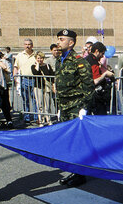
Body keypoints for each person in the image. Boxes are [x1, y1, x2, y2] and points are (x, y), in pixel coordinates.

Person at [53, 29, 94, 187]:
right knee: (69, 140)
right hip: (64, 107)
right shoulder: (60, 60)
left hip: (76, 107)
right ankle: (74, 170)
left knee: (78, 140)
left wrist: (84, 107)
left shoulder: (79, 61)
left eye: (62, 39)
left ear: (71, 43)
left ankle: (80, 174)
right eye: (58, 39)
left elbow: (88, 86)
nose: (58, 42)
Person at [87, 42, 114, 115]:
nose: (102, 56)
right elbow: (95, 80)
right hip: (95, 97)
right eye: (102, 53)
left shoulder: (89, 59)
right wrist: (105, 74)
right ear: (96, 51)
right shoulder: (93, 62)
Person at [14, 38, 37, 123]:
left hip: (35, 80)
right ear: (24, 45)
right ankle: (26, 116)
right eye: (26, 44)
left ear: (32, 45)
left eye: (29, 44)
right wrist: (15, 78)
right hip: (24, 79)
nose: (27, 46)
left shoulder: (36, 55)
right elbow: (16, 67)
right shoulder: (19, 55)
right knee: (25, 99)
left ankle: (35, 117)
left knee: (35, 99)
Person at [31, 51, 55, 125]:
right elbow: (35, 72)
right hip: (38, 87)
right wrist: (37, 64)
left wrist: (53, 85)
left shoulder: (47, 65)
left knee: (47, 104)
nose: (40, 59)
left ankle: (48, 119)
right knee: (40, 105)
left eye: (41, 58)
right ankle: (41, 120)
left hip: (47, 87)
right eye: (38, 58)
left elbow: (52, 76)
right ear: (35, 58)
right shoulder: (33, 66)